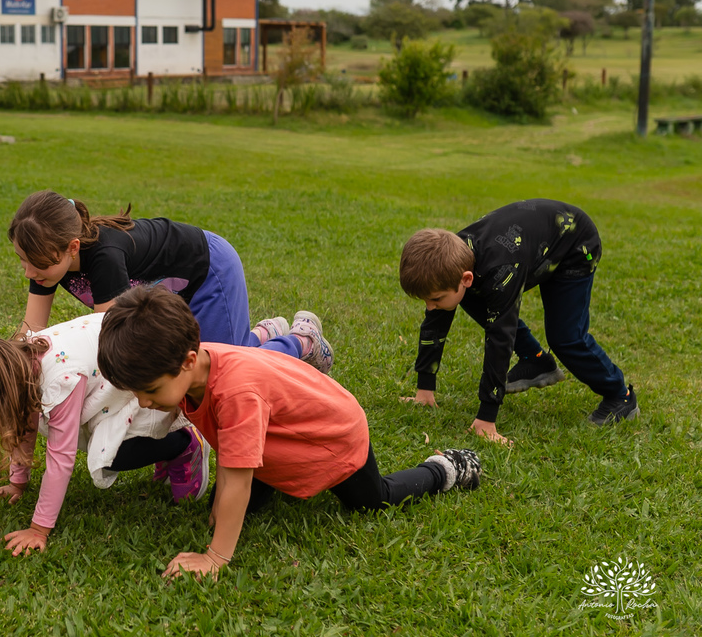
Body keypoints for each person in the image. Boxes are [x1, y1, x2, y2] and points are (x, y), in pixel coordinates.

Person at [97, 286, 482, 579]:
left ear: (188, 362)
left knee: (372, 501)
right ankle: (278, 482)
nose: (144, 402)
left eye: (149, 391)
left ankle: (445, 469)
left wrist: (214, 558)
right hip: (278, 437)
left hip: (335, 436)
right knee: (223, 514)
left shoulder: (235, 393)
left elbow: (236, 477)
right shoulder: (190, 361)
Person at [0, 312, 208, 556]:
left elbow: (61, 459)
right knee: (100, 440)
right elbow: (25, 419)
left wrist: (38, 529)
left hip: (137, 370)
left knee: (110, 455)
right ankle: (161, 444)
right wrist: (16, 483)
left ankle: (182, 445)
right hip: (111, 369)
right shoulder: (19, 366)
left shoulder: (59, 378)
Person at [8, 190, 333, 373]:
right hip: (173, 291)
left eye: (35, 263)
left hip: (209, 270)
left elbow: (105, 338)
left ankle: (303, 341)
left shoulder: (103, 259)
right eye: (22, 260)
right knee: (203, 358)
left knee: (226, 368)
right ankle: (263, 334)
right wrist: (3, 376)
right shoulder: (48, 260)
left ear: (72, 247)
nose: (28, 272)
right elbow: (30, 329)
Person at [399, 199, 638, 445]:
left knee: (565, 337)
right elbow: (434, 324)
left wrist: (486, 420)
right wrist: (424, 390)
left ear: (466, 278)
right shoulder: (451, 260)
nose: (429, 306)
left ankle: (621, 396)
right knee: (465, 299)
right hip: (534, 246)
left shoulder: (501, 271)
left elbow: (499, 340)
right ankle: (536, 361)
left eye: (434, 298)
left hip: (575, 246)